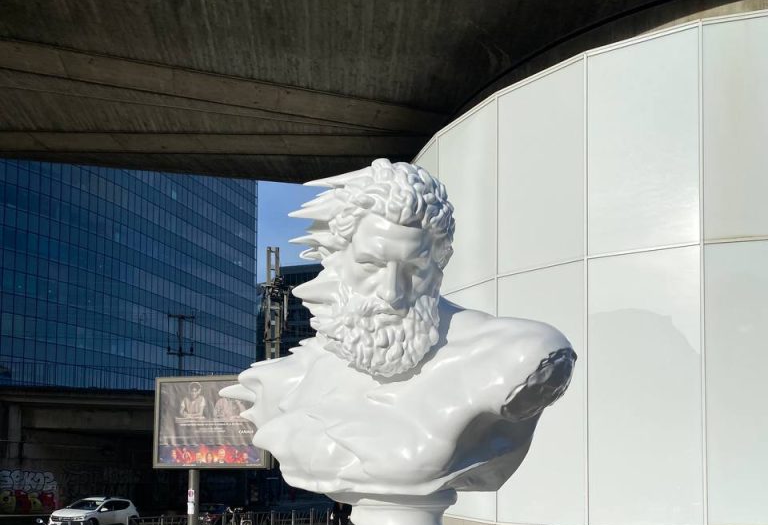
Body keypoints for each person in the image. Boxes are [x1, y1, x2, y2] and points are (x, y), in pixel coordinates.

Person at [221, 158, 575, 499]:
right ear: (335, 258)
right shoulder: (284, 379)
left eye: (414, 268)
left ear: (439, 262)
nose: (392, 292)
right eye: (371, 264)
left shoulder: (517, 355)